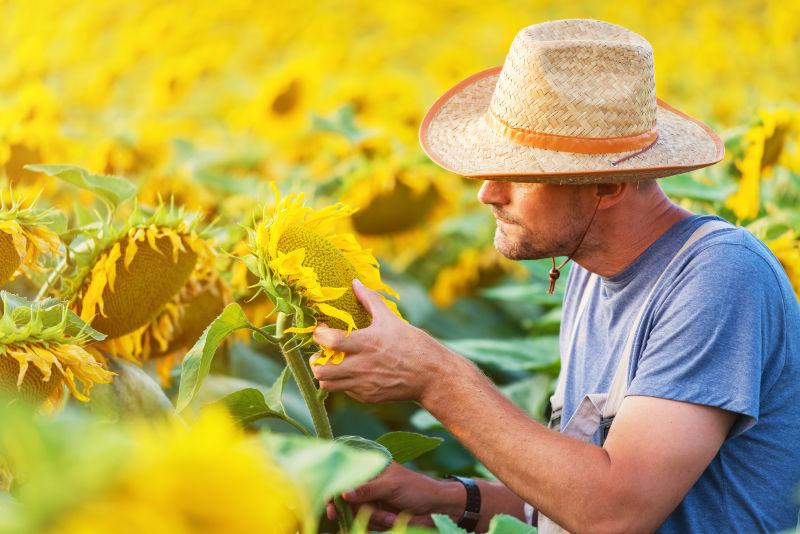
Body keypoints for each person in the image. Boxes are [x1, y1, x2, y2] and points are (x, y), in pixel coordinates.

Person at [311, 19, 800, 533]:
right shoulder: (589, 271)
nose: (487, 192)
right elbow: (571, 495)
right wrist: (446, 500)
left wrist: (435, 377)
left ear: (607, 185)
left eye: (521, 173)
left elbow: (616, 513)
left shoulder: (719, 277)